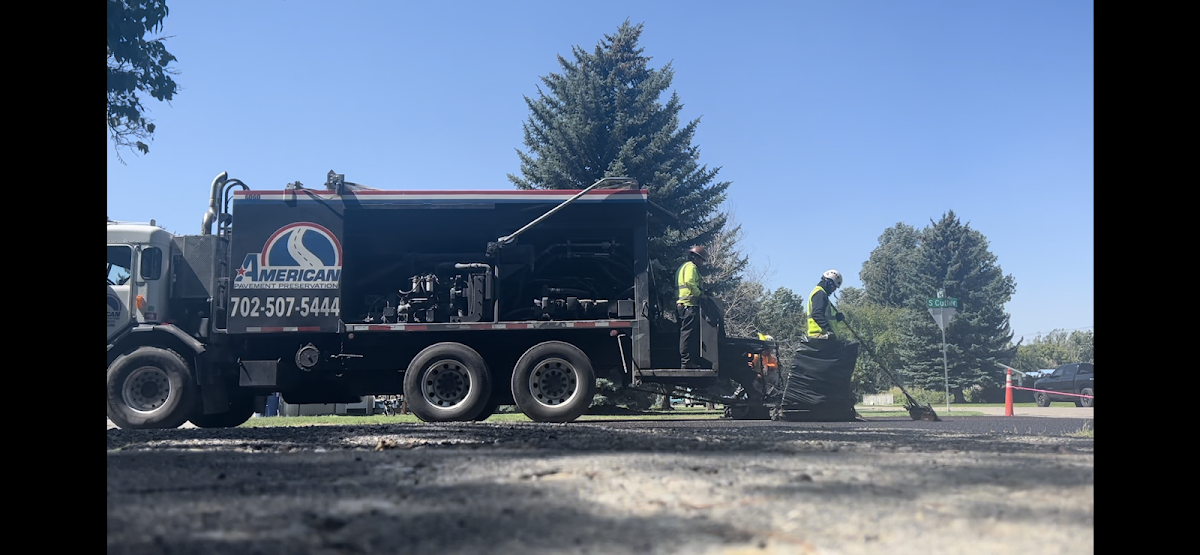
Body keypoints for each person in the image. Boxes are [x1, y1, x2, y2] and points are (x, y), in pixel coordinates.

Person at [676, 245, 709, 368]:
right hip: (689, 305)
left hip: (682, 304)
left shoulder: (682, 267)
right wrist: (700, 295)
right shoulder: (692, 267)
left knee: (686, 333)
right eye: (701, 260)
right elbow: (690, 282)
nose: (702, 263)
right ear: (696, 258)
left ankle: (687, 361)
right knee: (688, 334)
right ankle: (686, 362)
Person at [807, 269, 844, 339]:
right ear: (829, 283)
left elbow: (826, 316)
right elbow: (817, 314)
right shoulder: (820, 294)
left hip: (821, 336)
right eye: (834, 286)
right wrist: (829, 329)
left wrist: (836, 318)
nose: (834, 290)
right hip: (821, 335)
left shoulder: (821, 294)